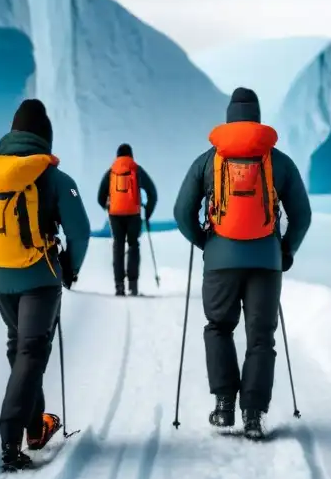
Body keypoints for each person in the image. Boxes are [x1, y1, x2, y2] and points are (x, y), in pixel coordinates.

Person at [0, 99, 91, 472]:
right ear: (45, 138)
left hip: (1, 279)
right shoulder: (54, 177)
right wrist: (69, 268)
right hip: (40, 278)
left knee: (21, 344)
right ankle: (11, 438)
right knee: (31, 350)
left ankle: (34, 426)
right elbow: (80, 230)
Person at [174, 87, 312, 440]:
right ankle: (253, 414)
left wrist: (205, 241)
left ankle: (224, 405)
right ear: (257, 117)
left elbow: (181, 211)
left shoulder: (208, 160)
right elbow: (302, 215)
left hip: (220, 259)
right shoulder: (278, 161)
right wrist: (286, 249)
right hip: (266, 262)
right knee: (261, 337)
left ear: (229, 117)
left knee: (219, 327)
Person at [96, 143, 158, 296]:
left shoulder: (111, 171)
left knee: (118, 246)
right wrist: (147, 213)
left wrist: (108, 207)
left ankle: (119, 286)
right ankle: (133, 285)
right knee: (133, 245)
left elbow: (100, 196)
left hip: (115, 215)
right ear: (131, 155)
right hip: (133, 214)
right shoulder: (136, 169)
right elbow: (152, 192)